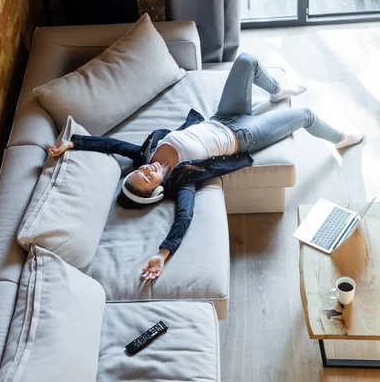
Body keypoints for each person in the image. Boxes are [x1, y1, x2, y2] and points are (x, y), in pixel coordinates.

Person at [47, 53, 363, 281]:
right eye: (148, 179)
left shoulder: (147, 155)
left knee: (247, 61)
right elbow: (184, 217)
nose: (146, 171)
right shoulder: (184, 181)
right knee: (305, 115)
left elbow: (113, 145)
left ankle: (276, 90)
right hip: (244, 136)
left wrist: (72, 143)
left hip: (223, 116)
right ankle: (339, 139)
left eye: (138, 173)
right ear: (156, 191)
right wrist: (162, 254)